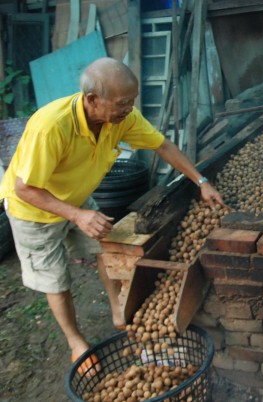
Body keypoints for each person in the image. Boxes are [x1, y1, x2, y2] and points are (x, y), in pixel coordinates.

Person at [0, 57, 224, 371]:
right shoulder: (51, 126)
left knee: (104, 251)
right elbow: (25, 188)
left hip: (76, 195)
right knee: (55, 280)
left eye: (132, 102)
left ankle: (118, 309)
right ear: (92, 99)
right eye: (122, 103)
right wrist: (76, 215)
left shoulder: (121, 118)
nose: (129, 109)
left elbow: (163, 146)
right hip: (34, 209)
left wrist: (200, 181)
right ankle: (75, 342)